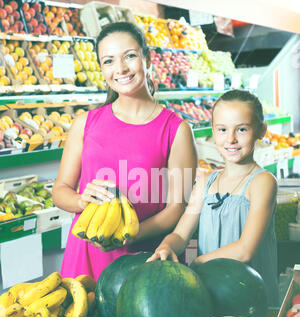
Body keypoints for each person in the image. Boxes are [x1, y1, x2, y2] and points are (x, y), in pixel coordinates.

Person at [52, 22, 197, 281]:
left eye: (129, 56)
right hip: (85, 254)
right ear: (101, 68)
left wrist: (125, 235)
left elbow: (177, 208)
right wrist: (80, 201)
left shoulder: (177, 130)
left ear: (147, 59)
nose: (120, 69)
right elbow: (60, 190)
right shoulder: (85, 123)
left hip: (142, 261)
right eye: (108, 61)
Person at [148, 89, 279, 307]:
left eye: (242, 129)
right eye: (222, 130)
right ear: (213, 131)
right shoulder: (206, 182)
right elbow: (180, 234)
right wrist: (167, 246)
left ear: (261, 130)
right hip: (210, 293)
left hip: (250, 297)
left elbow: (245, 249)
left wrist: (198, 263)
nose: (231, 139)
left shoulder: (262, 182)